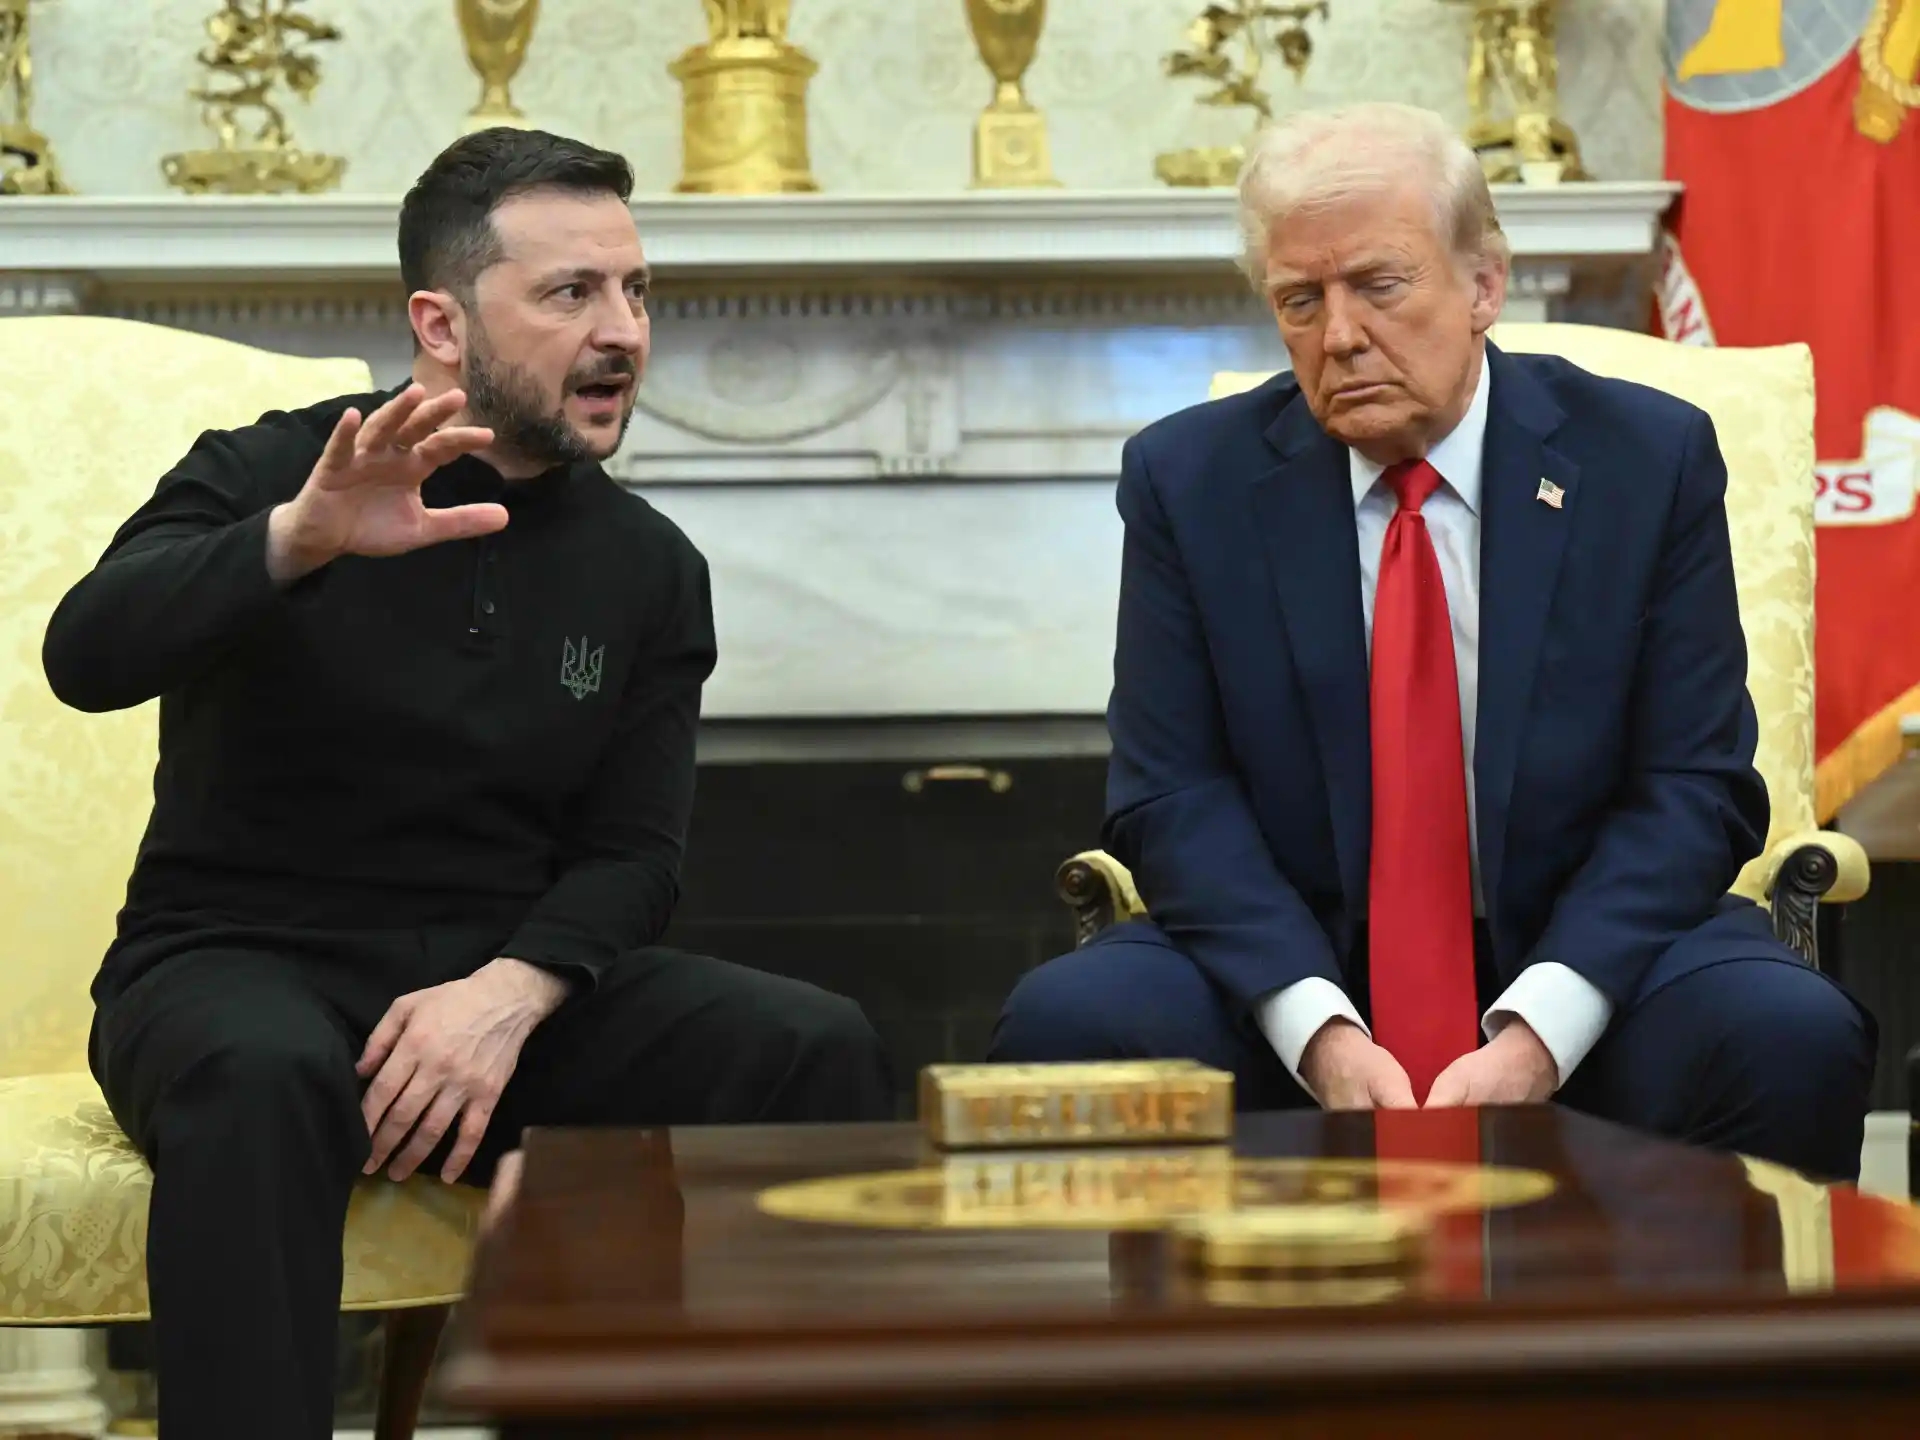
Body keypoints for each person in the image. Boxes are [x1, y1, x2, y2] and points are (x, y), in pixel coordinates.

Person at [42, 128, 893, 1439]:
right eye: (571, 293)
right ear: (441, 324)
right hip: (235, 961)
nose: (623, 332)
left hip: (499, 992)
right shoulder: (270, 473)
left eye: (637, 290)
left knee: (810, 1047)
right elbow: (86, 657)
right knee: (263, 1077)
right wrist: (298, 541)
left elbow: (634, 855)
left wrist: (508, 995)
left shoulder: (651, 567)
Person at [989, 102, 1874, 1182]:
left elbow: (1695, 784)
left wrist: (1541, 1027)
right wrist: (1317, 1026)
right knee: (1073, 1020)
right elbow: (1168, 793)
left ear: (1484, 285)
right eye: (1301, 300)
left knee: (1787, 1033)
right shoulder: (1189, 480)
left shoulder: (1646, 460)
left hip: (1591, 952)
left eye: (1379, 284)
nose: (1339, 335)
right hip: (1294, 957)